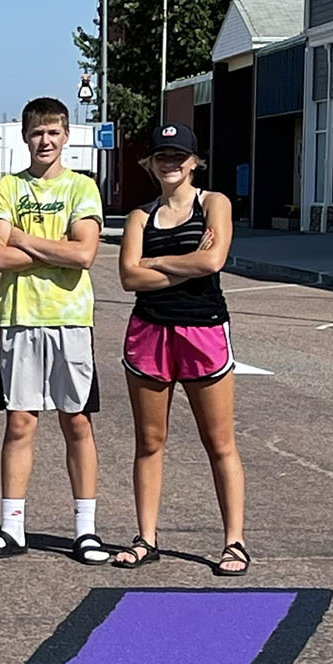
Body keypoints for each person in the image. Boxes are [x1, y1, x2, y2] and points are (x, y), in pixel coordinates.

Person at [0, 97, 110, 565]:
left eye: (53, 132)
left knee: (77, 422)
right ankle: (12, 527)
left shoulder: (81, 188)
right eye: (36, 133)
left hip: (71, 319)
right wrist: (58, 247)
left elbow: (84, 254)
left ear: (66, 135)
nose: (45, 141)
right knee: (20, 422)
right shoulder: (8, 187)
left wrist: (24, 239)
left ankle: (85, 530)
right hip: (20, 317)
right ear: (25, 137)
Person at [113, 124, 250, 576]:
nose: (170, 163)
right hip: (150, 332)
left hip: (203, 330)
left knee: (219, 442)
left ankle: (234, 541)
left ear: (194, 161)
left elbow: (213, 261)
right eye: (161, 156)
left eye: (178, 156)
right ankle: (146, 538)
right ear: (149, 164)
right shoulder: (140, 216)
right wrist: (181, 264)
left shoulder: (213, 203)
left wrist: (153, 262)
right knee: (150, 442)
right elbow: (129, 278)